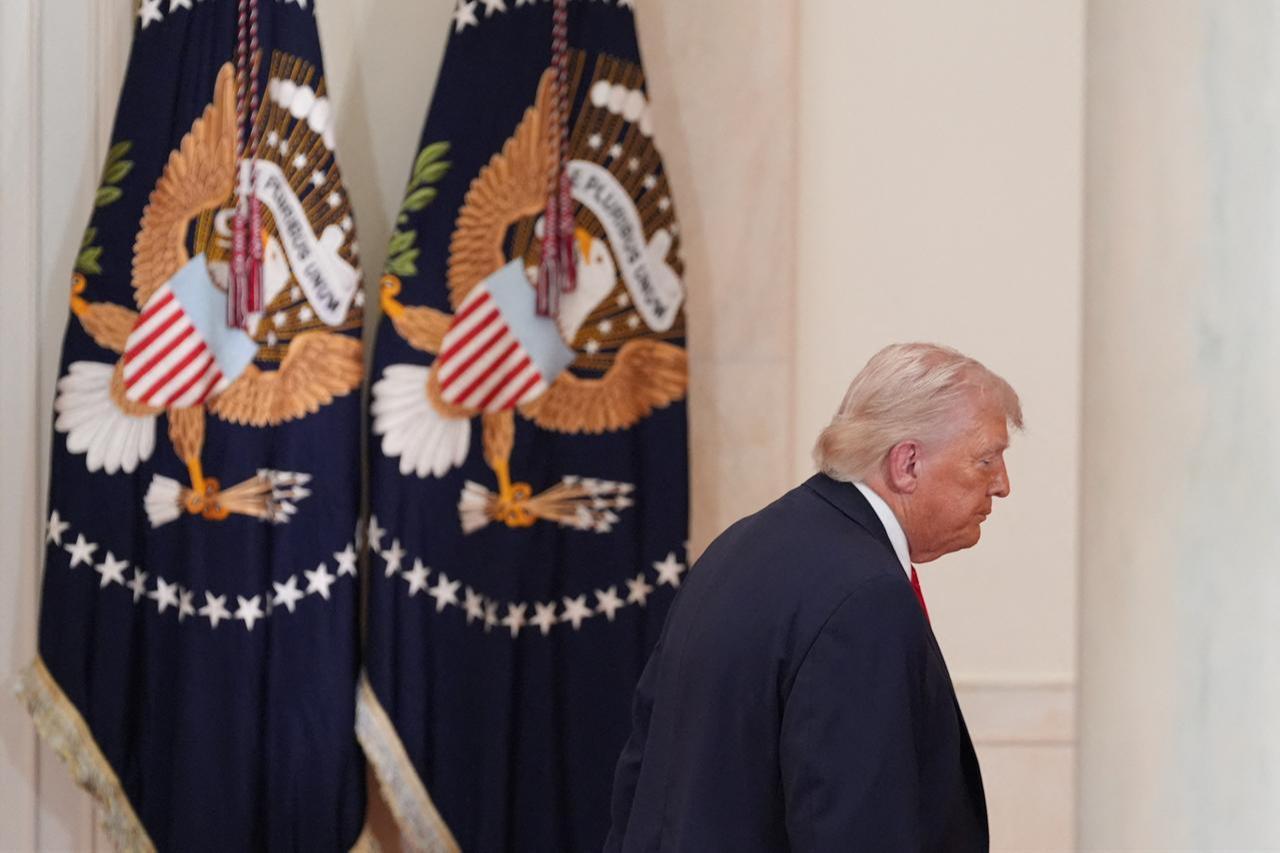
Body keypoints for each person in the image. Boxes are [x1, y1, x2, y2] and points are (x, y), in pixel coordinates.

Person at [604, 342, 1022, 852]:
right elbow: (860, 828)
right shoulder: (866, 598)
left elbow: (641, 775)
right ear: (906, 463)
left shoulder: (738, 547)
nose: (1001, 485)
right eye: (986, 460)